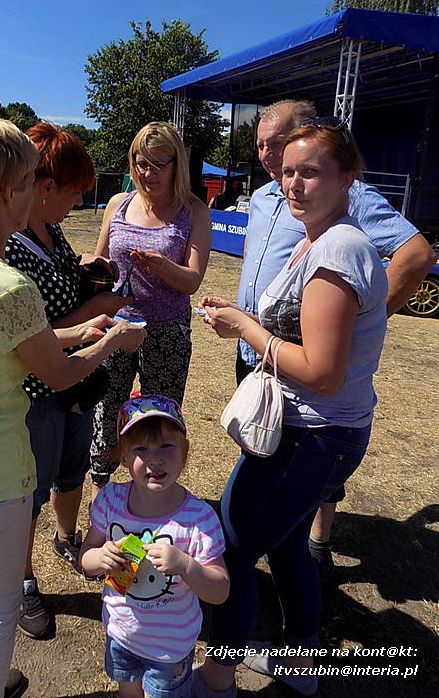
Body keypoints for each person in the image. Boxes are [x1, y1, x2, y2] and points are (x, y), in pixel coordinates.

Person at [0, 118, 145, 698]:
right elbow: (58, 373)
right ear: (6, 191)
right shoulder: (4, 285)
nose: (38, 189)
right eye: (29, 178)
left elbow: (1, 339)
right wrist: (111, 341)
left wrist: (78, 329)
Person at [195, 118, 391, 697]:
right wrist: (241, 319)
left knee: (231, 550)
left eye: (311, 172)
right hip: (313, 431)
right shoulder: (317, 239)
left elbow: (322, 372)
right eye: (287, 172)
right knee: (284, 546)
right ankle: (303, 664)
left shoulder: (338, 250)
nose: (294, 184)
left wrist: (245, 327)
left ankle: (218, 675)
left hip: (313, 435)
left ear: (348, 179)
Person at [235, 100, 435, 574]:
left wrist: (365, 318)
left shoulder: (343, 202)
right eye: (262, 146)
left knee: (255, 529)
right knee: (264, 464)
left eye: (278, 144)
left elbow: (416, 254)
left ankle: (317, 542)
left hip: (312, 400)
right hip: (261, 359)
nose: (269, 157)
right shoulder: (265, 197)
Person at [3, 122, 130, 640]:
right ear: (45, 185)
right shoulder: (8, 246)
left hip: (75, 379)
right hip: (36, 389)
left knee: (71, 467)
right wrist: (99, 309)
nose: (78, 203)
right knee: (28, 490)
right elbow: (26, 334)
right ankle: (22, 582)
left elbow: (65, 281)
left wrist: (90, 271)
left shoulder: (49, 231)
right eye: (75, 192)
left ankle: (67, 536)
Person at [90, 121, 212, 499]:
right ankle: (101, 497)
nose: (148, 173)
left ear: (177, 165)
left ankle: (152, 498)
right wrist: (92, 269)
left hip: (167, 331)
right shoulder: (119, 203)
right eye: (141, 163)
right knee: (106, 414)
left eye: (159, 165)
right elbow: (100, 262)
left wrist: (162, 267)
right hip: (116, 328)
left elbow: (192, 280)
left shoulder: (193, 211)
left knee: (159, 421)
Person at [81, 394, 229, 698]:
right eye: (140, 449)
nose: (155, 459)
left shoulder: (199, 518)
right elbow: (86, 557)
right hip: (120, 634)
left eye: (166, 446)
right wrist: (100, 557)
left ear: (185, 452)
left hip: (170, 647)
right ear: (123, 457)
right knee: (128, 690)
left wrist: (186, 565)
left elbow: (220, 591)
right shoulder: (109, 500)